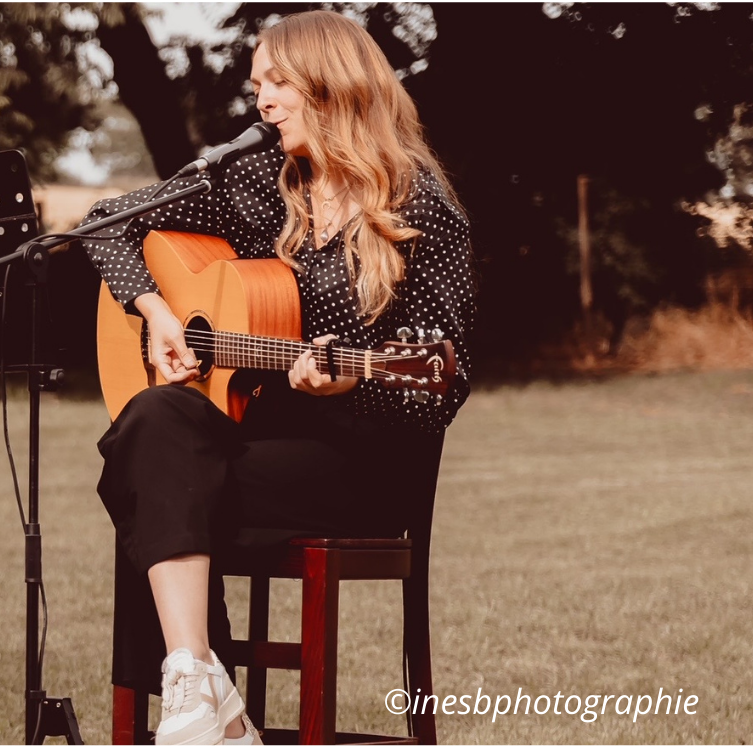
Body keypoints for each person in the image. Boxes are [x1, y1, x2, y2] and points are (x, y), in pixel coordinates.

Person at [77, 10, 474, 745]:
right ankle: (200, 681)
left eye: (278, 83)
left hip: (361, 461)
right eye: (257, 84)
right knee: (152, 422)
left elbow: (444, 383)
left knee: (151, 484)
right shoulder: (258, 181)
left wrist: (357, 382)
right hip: (252, 439)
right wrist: (158, 312)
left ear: (332, 87)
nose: (262, 100)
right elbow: (104, 220)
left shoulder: (423, 207)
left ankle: (207, 708)